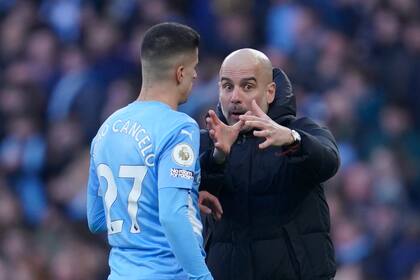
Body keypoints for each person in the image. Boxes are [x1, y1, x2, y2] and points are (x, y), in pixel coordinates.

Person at [86, 22, 214, 280]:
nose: (196, 76)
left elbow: (97, 219)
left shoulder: (106, 129)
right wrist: (202, 277)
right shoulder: (179, 128)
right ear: (180, 73)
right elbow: (172, 214)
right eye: (194, 67)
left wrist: (183, 196)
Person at [199, 48, 340, 280]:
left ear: (270, 92)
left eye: (247, 86)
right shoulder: (206, 142)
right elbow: (186, 193)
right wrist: (218, 157)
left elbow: (329, 163)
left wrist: (292, 141)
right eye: (227, 86)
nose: (235, 97)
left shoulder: (303, 130)